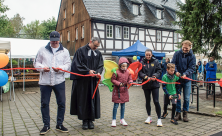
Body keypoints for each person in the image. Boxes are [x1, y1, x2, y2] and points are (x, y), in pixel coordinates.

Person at [34, 31, 71, 135]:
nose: (54, 42)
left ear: (59, 39)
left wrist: (60, 69)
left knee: (62, 103)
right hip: (45, 82)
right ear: (49, 39)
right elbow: (36, 63)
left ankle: (60, 124)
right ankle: (46, 125)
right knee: (44, 104)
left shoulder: (65, 51)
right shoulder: (42, 49)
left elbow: (68, 64)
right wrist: (42, 68)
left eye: (56, 40)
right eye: (52, 40)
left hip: (59, 81)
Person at [70, 37, 104, 130]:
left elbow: (101, 65)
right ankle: (84, 120)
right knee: (83, 100)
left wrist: (98, 72)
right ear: (90, 42)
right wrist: (87, 71)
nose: (96, 48)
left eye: (97, 46)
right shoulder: (80, 51)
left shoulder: (98, 53)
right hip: (83, 82)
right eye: (95, 45)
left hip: (93, 82)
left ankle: (91, 120)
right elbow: (77, 64)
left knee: (92, 99)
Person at [171, 40, 196, 122]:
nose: (185, 49)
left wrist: (186, 74)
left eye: (186, 48)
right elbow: (173, 64)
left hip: (187, 80)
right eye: (183, 47)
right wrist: (176, 72)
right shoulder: (177, 54)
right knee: (177, 97)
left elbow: (192, 68)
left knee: (187, 98)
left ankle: (185, 113)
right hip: (178, 79)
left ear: (190, 47)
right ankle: (178, 113)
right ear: (182, 46)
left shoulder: (192, 56)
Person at [139, 49, 162, 127]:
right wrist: (145, 76)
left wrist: (155, 76)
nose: (148, 56)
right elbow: (140, 72)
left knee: (156, 101)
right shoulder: (142, 62)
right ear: (145, 55)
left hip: (155, 85)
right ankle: (149, 117)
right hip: (146, 85)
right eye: (146, 55)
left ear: (151, 55)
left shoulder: (156, 62)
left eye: (149, 55)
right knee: (147, 101)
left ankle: (159, 119)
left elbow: (159, 70)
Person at [111, 57, 133, 127]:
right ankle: (114, 120)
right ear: (120, 65)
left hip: (124, 91)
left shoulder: (128, 72)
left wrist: (130, 82)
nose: (124, 67)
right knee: (115, 106)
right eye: (123, 66)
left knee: (123, 106)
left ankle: (122, 119)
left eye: (126, 66)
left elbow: (130, 78)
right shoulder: (116, 72)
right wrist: (118, 83)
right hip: (117, 91)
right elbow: (113, 80)